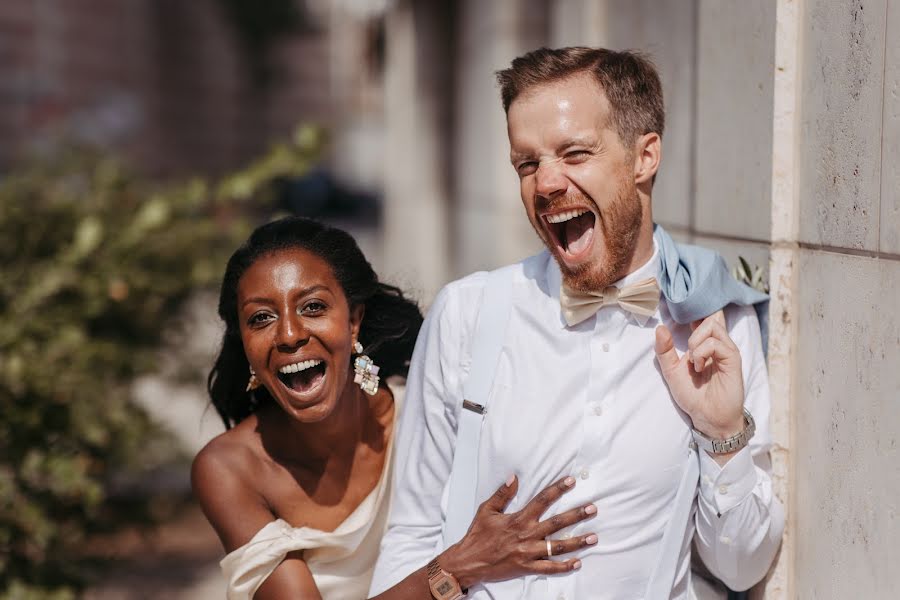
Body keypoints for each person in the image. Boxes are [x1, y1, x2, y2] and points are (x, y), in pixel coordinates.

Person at [370, 47, 785, 599]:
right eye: (527, 163)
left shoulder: (717, 324)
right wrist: (455, 571)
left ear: (645, 157)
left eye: (574, 153)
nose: (545, 185)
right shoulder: (467, 314)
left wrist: (722, 436)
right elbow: (412, 534)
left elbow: (740, 568)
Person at [191, 217, 599, 600]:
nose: (290, 334)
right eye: (261, 318)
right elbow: (473, 558)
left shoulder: (428, 418)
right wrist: (456, 569)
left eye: (313, 307)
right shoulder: (229, 468)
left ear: (353, 321)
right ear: (244, 342)